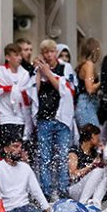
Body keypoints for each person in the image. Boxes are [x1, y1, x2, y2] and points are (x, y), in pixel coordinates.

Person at [32, 39, 76, 200]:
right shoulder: (38, 69)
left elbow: (66, 89)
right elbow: (33, 90)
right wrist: (38, 71)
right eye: (46, 52)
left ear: (55, 53)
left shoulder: (65, 67)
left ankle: (64, 190)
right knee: (44, 157)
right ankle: (47, 192)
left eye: (51, 52)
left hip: (61, 118)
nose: (49, 55)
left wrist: (48, 73)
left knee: (62, 156)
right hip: (44, 118)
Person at [0, 132, 50, 212]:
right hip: (8, 211)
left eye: (20, 147)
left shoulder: (25, 167)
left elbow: (36, 191)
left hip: (26, 208)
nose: (19, 150)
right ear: (6, 149)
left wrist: (46, 207)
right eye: (15, 146)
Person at [0, 42, 33, 143]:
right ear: (7, 57)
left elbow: (28, 94)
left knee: (19, 148)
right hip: (5, 117)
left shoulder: (25, 74)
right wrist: (3, 89)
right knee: (7, 148)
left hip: (21, 118)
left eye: (20, 55)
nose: (19, 58)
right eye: (16, 55)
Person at [67, 124, 107, 206]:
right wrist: (91, 166)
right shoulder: (74, 151)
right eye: (97, 136)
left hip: (89, 189)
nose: (99, 139)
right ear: (92, 136)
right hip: (75, 189)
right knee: (98, 171)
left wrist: (105, 152)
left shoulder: (95, 153)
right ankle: (82, 203)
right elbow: (73, 175)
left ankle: (96, 203)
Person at [75, 38, 102, 130]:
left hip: (85, 104)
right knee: (92, 138)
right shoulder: (89, 65)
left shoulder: (82, 65)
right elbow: (90, 89)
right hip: (86, 105)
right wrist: (102, 82)